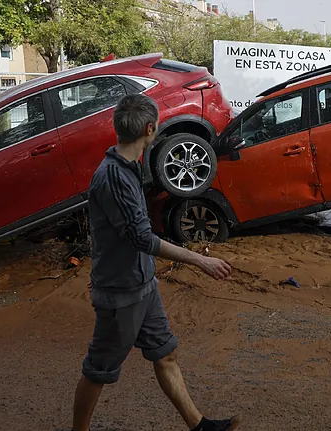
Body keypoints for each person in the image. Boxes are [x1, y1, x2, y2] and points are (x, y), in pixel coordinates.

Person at [72, 94, 240, 431]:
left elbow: (107, 232)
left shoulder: (127, 166)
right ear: (151, 129)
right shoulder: (115, 177)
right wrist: (198, 260)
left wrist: (100, 266)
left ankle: (199, 425)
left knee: (165, 354)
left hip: (142, 286)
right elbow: (142, 239)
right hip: (122, 293)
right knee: (99, 369)